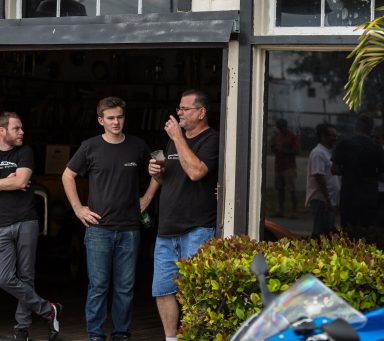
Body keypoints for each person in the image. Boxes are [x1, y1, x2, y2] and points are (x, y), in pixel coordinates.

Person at [62, 97, 157, 341]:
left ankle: (121, 333)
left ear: (124, 118)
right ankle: (95, 334)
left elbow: (159, 170)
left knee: (125, 288)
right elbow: (67, 175)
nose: (116, 122)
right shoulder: (90, 146)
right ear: (100, 120)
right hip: (98, 229)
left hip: (129, 228)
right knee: (99, 287)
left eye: (120, 117)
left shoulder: (137, 145)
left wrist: (146, 198)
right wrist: (78, 208)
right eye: (111, 118)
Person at [148, 89, 219, 341]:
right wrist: (156, 172)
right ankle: (171, 338)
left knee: (196, 290)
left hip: (197, 228)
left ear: (201, 112)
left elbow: (197, 172)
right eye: (179, 108)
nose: (179, 113)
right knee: (163, 289)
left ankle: (195, 336)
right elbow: (171, 177)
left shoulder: (212, 140)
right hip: (167, 229)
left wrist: (179, 138)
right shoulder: (173, 141)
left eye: (185, 109)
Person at [0, 111, 62, 341]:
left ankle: (21, 329)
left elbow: (22, 181)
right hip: (1, 224)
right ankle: (48, 309)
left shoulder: (25, 151)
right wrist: (9, 182)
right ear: (2, 131)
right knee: (4, 278)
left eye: (22, 128)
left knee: (26, 276)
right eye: (17, 128)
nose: (22, 132)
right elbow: (14, 181)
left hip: (26, 220)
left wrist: (14, 182)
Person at [331, 114, 384, 231]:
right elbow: (381, 173)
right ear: (371, 129)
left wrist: (347, 171)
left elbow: (334, 170)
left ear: (355, 127)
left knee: (347, 232)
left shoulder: (344, 144)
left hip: (349, 194)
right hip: (369, 196)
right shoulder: (377, 148)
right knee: (366, 232)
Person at [305, 123, 340, 238]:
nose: (335, 138)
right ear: (322, 136)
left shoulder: (327, 152)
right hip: (322, 200)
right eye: (332, 135)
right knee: (321, 232)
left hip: (328, 200)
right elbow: (319, 177)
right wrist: (327, 199)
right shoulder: (318, 153)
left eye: (336, 135)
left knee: (327, 231)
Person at [270, 118, 300, 218]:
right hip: (278, 166)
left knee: (291, 189)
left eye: (281, 126)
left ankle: (294, 211)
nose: (279, 128)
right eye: (278, 126)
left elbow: (296, 151)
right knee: (279, 189)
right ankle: (280, 210)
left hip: (289, 167)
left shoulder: (292, 136)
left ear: (285, 125)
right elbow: (274, 148)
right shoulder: (277, 136)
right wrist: (273, 147)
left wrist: (282, 150)